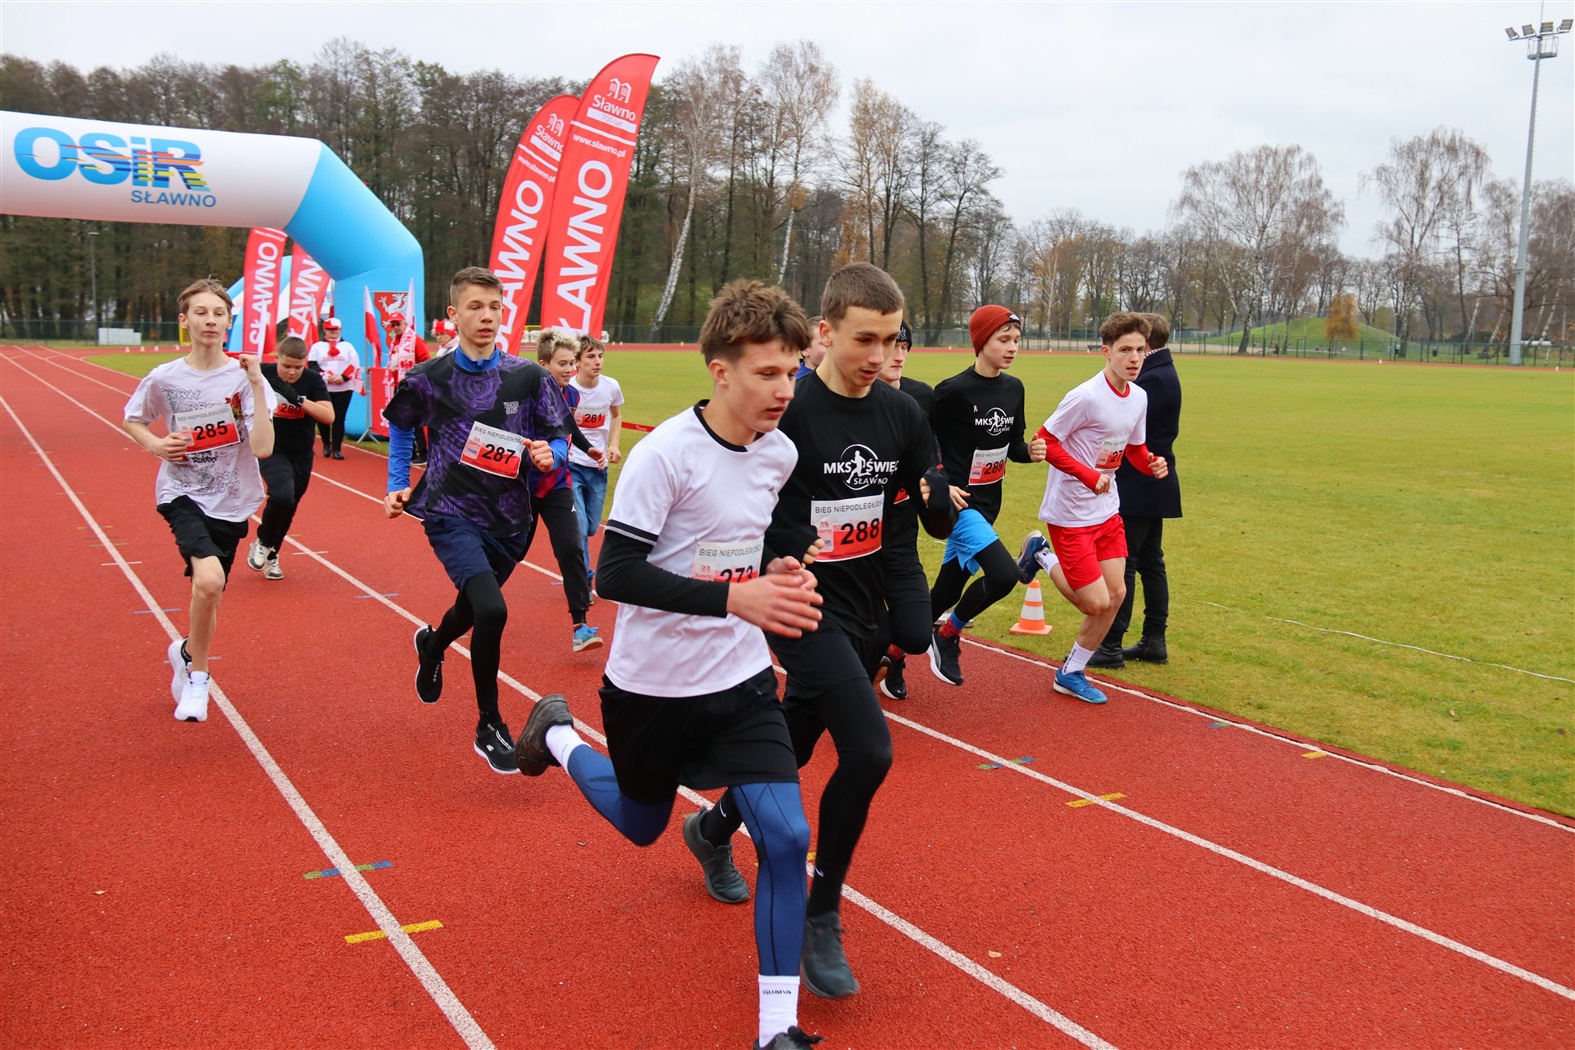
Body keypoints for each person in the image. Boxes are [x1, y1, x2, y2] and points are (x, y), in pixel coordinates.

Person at [512, 279, 826, 1050]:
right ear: (721, 371)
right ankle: (557, 735)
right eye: (766, 373)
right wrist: (736, 598)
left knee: (786, 837)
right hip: (652, 686)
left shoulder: (780, 451)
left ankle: (776, 1028)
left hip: (741, 678)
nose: (783, 389)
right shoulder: (663, 455)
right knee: (641, 824)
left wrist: (781, 568)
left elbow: (754, 536)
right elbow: (615, 575)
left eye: (791, 372)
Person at [691, 263, 949, 1001]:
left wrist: (935, 498)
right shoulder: (788, 410)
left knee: (796, 742)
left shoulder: (902, 414)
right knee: (869, 750)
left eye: (891, 340)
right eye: (865, 339)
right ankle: (821, 912)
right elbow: (739, 504)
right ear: (825, 332)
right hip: (800, 603)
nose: (879, 355)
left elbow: (919, 519)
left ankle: (713, 830)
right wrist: (785, 545)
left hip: (866, 605)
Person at [382, 267, 570, 774]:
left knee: (472, 608)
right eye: (475, 307)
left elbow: (558, 436)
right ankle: (490, 725)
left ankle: (432, 644)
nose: (487, 316)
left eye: (494, 307)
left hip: (510, 519)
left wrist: (551, 455)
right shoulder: (428, 378)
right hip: (449, 511)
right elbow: (401, 428)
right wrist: (397, 481)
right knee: (491, 609)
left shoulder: (528, 376)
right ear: (454, 314)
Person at [123, 278, 276, 722]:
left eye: (218, 313)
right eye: (201, 313)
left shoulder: (244, 377)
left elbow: (263, 448)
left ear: (229, 322)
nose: (210, 320)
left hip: (233, 499)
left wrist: (257, 383)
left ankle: (187, 650)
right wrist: (157, 445)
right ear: (184, 321)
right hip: (182, 491)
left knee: (211, 593)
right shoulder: (165, 378)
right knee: (208, 581)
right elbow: (133, 419)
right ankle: (199, 676)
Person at [1018, 312, 1169, 704]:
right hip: (1071, 514)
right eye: (1125, 350)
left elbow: (1133, 450)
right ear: (1106, 352)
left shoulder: (1139, 397)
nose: (1134, 358)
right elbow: (1044, 441)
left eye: (1140, 350)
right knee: (1094, 602)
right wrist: (1087, 475)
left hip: (1107, 510)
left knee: (1116, 594)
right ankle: (1042, 553)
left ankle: (1071, 672)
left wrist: (1151, 463)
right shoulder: (1085, 397)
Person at [926, 306, 1047, 686]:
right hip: (959, 506)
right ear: (981, 342)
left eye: (1016, 340)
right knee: (1005, 575)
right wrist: (939, 481)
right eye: (1003, 339)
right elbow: (922, 441)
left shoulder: (1014, 388)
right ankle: (948, 634)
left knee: (944, 592)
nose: (1012, 347)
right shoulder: (952, 391)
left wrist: (1030, 452)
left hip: (990, 503)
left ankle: (890, 652)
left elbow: (1012, 445)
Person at [1087, 313, 1182, 669]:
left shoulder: (1152, 380)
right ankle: (1153, 640)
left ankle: (1111, 642)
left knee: (1125, 563)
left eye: (1138, 347)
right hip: (1152, 482)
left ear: (1147, 343)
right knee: (1151, 562)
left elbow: (1125, 428)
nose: (1133, 356)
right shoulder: (1162, 372)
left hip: (1141, 482)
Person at [874, 320, 947, 700]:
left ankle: (888, 657)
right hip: (854, 550)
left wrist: (938, 485)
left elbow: (932, 457)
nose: (899, 355)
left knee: (917, 633)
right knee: (862, 633)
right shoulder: (847, 403)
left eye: (905, 347)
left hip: (902, 539)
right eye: (892, 345)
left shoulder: (920, 397)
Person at [526, 328, 604, 652]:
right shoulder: (525, 396)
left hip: (558, 484)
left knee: (571, 547)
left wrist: (588, 449)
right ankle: (478, 601)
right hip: (523, 487)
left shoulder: (571, 395)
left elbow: (568, 428)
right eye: (562, 364)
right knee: (509, 553)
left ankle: (580, 626)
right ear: (543, 364)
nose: (570, 369)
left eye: (572, 363)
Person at [246, 335, 333, 580]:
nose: (292, 372)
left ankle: (272, 555)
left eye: (297, 367)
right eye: (286, 366)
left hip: (302, 454)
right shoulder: (263, 373)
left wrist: (298, 399)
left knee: (289, 505)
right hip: (272, 448)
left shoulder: (312, 379)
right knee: (282, 494)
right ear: (276, 358)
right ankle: (263, 541)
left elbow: (329, 416)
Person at [568, 333, 625, 598]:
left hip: (599, 467)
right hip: (572, 465)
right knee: (580, 528)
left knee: (592, 527)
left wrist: (614, 444)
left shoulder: (611, 386)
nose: (598, 361)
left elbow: (617, 415)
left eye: (600, 356)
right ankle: (584, 582)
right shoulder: (569, 389)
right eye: (591, 356)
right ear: (577, 362)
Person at [308, 317, 359, 459]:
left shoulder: (348, 346)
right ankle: (326, 444)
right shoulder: (317, 347)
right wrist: (326, 376)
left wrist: (343, 377)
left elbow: (354, 364)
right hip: (323, 388)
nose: (333, 332)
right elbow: (312, 365)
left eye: (335, 329)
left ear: (340, 330)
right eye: (330, 329)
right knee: (323, 417)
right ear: (325, 330)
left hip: (343, 388)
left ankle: (337, 449)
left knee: (339, 418)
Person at [385, 311, 432, 463]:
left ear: (405, 323)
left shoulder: (415, 340)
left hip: (413, 386)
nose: (395, 327)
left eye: (398, 324)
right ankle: (409, 453)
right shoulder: (395, 342)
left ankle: (422, 452)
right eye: (393, 325)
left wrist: (417, 379)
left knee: (415, 420)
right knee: (402, 420)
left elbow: (426, 360)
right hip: (399, 386)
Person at [794, 315, 830, 379]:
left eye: (833, 343)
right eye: (823, 343)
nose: (831, 348)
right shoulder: (795, 382)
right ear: (805, 349)